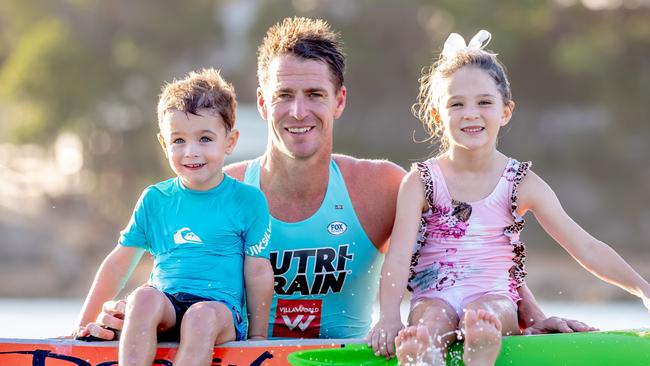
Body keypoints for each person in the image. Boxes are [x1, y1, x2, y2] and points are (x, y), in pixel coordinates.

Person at [80, 17, 594, 343]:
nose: (298, 111)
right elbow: (173, 273)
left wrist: (531, 314)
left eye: (315, 96)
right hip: (239, 355)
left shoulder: (379, 188)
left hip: (341, 356)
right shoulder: (220, 186)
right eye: (283, 95)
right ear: (261, 104)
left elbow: (463, 247)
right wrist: (111, 318)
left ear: (339, 101)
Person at [367, 30, 650, 366]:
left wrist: (644, 290)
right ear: (437, 116)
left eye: (484, 102)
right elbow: (397, 258)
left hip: (495, 300)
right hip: (433, 297)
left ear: (505, 111)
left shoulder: (520, 183)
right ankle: (424, 355)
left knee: (482, 315)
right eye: (456, 103)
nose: (471, 113)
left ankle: (479, 353)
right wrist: (387, 317)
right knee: (432, 321)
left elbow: (586, 247)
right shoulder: (421, 181)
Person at [74, 68, 274, 366]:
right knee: (141, 299)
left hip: (220, 311)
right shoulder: (156, 200)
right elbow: (118, 264)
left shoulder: (247, 201)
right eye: (178, 140)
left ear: (229, 141)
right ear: (164, 143)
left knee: (199, 316)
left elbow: (258, 272)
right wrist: (83, 325)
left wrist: (258, 340)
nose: (190, 152)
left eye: (205, 138)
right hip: (166, 304)